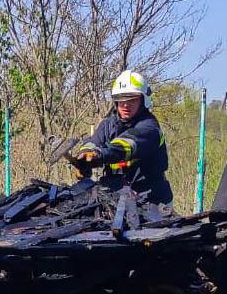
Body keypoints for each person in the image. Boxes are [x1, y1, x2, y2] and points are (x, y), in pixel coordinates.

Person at [69, 70, 174, 207]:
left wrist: (100, 155)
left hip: (152, 202)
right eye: (121, 99)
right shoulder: (108, 125)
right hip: (117, 199)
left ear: (143, 99)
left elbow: (125, 145)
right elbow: (93, 142)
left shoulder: (150, 127)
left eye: (131, 99)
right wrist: (84, 157)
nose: (125, 105)